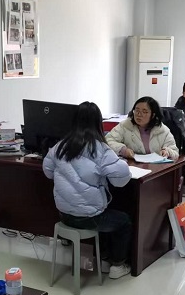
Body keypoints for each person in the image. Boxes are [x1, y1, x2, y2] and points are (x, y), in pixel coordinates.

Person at [43, 102, 133, 280]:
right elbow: (122, 179)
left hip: (64, 215)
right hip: (89, 218)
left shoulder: (60, 146)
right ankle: (117, 264)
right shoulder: (101, 149)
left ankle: (104, 260)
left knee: (104, 213)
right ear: (98, 123)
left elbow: (48, 171)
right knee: (123, 221)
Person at [106, 96, 179, 161]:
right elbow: (108, 141)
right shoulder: (125, 126)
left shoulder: (162, 130)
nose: (139, 114)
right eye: (137, 110)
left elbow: (175, 151)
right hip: (133, 167)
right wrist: (123, 150)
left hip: (157, 168)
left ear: (153, 115)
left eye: (144, 112)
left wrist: (167, 152)